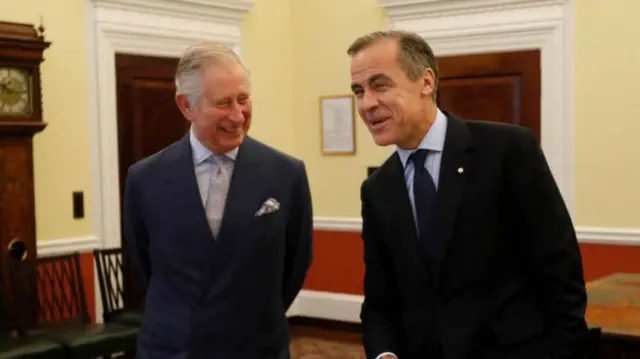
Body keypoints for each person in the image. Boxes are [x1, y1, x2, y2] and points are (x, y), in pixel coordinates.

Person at [348, 30, 588, 359]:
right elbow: (380, 298)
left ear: (426, 81)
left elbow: (561, 270)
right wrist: (384, 353)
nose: (367, 104)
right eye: (359, 91)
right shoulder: (378, 189)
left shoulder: (507, 150)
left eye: (380, 84)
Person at [123, 40, 313, 359]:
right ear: (186, 106)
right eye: (224, 103)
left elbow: (296, 263)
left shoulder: (286, 174)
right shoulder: (145, 179)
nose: (238, 115)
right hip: (174, 348)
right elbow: (145, 265)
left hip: (256, 347)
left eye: (243, 99)